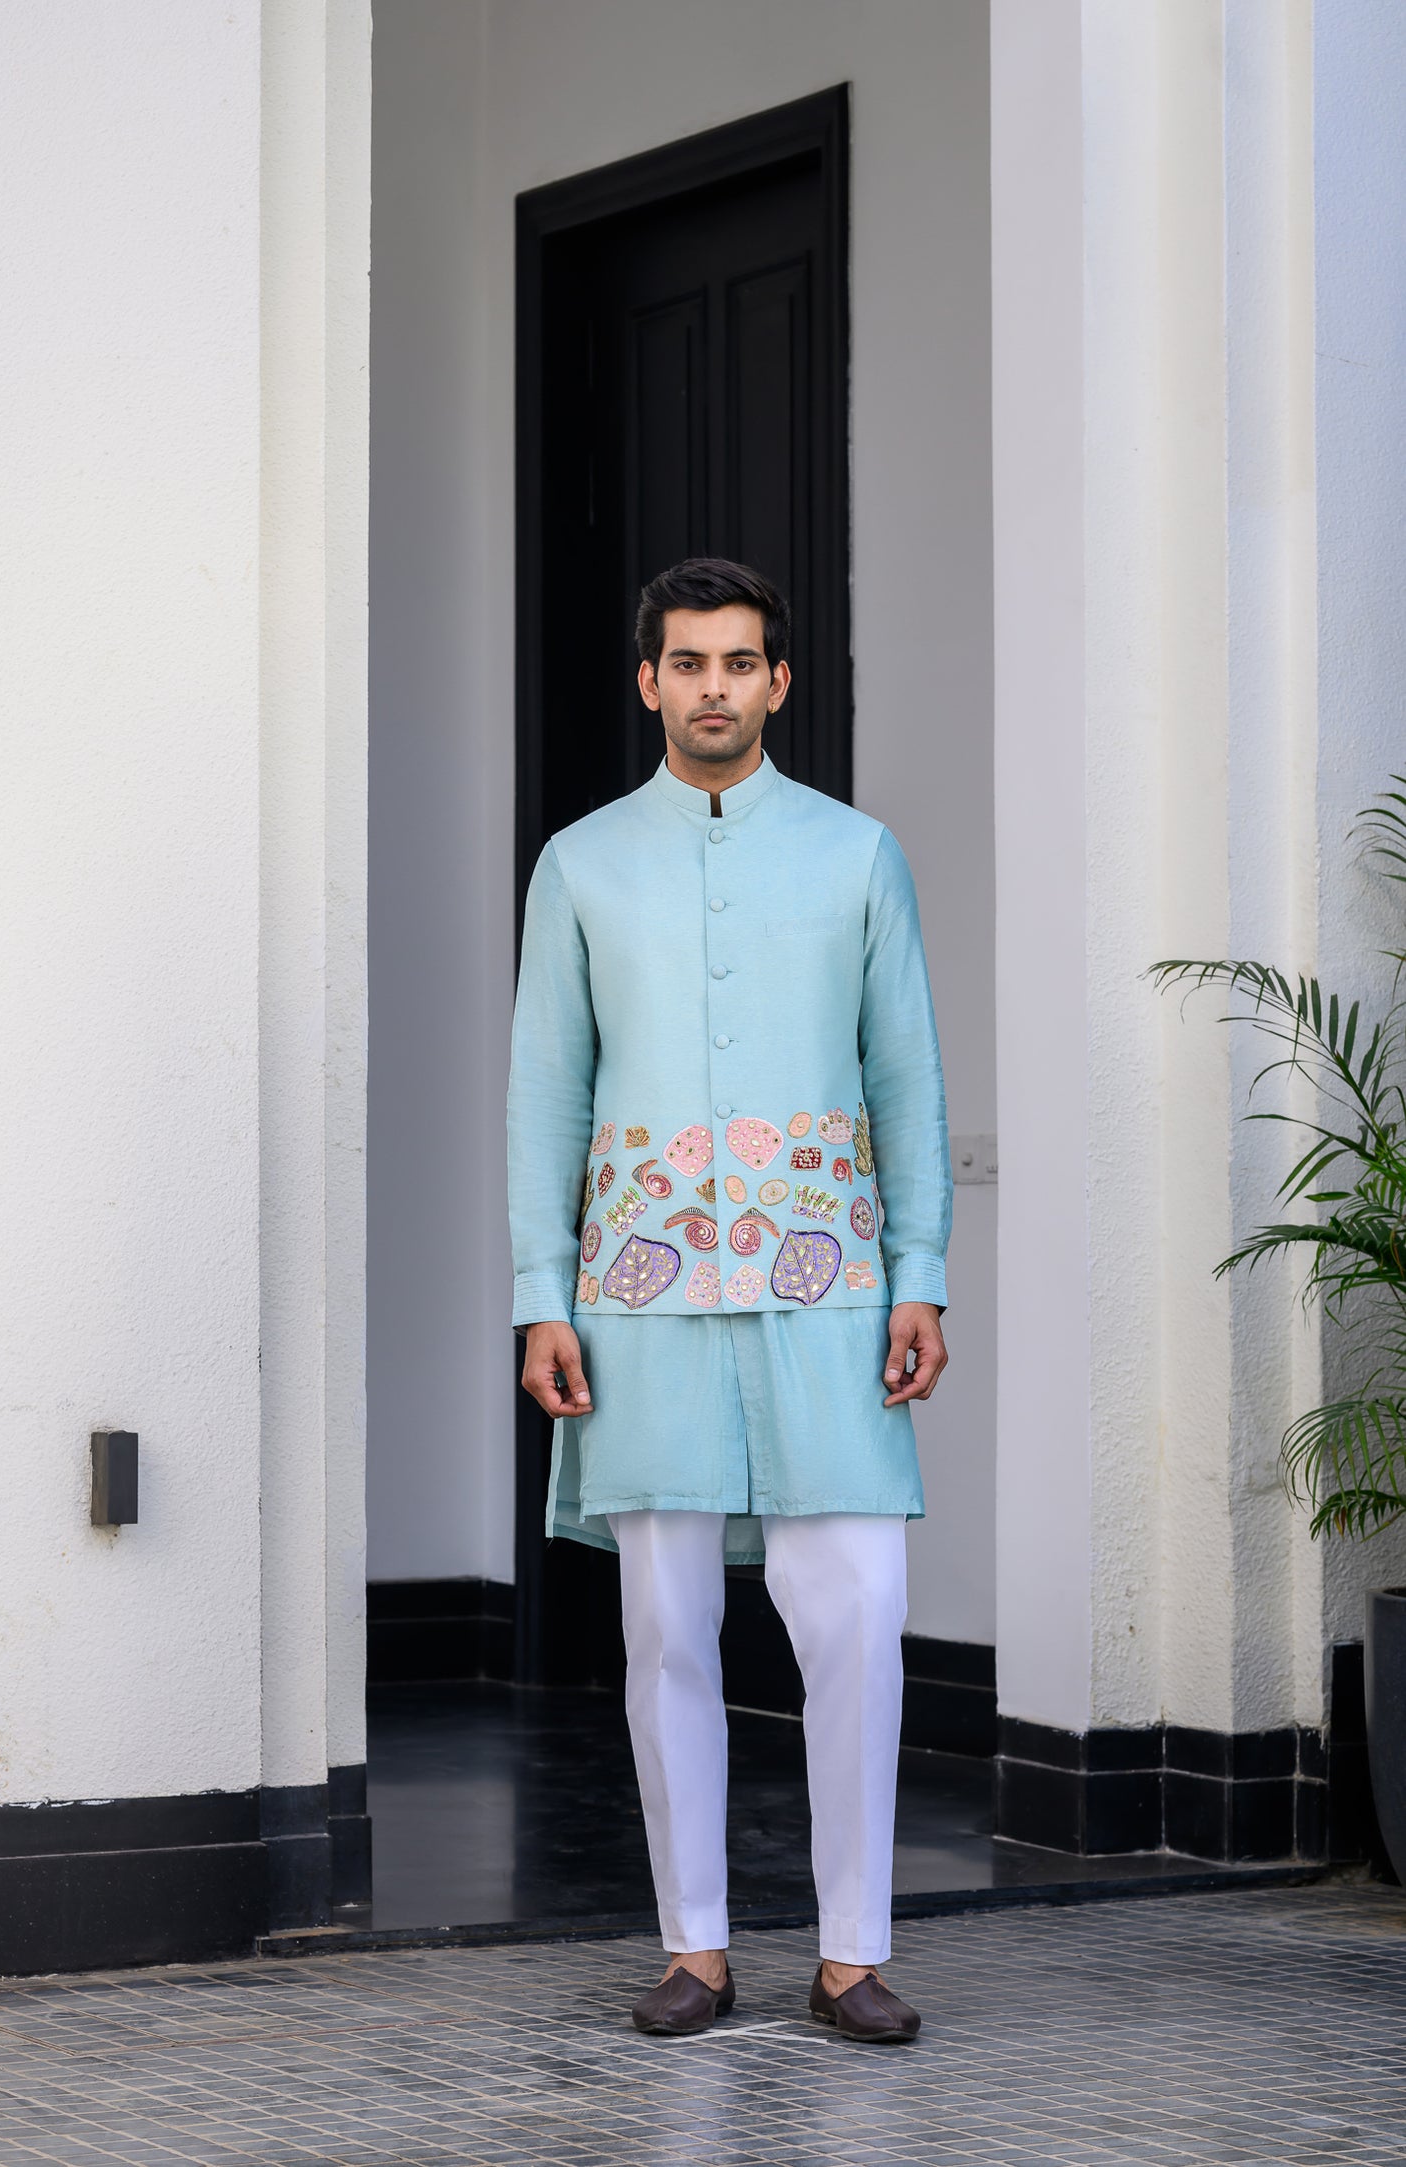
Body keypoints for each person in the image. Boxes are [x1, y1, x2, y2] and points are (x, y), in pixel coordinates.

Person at [506, 557, 952, 2043]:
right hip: (639, 1299)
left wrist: (920, 1276)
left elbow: (906, 1079)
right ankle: (692, 1949)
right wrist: (541, 1295)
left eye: (738, 662)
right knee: (666, 1633)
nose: (713, 687)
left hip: (830, 1292)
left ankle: (852, 1955)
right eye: (687, 662)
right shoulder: (580, 864)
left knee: (860, 1620)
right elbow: (544, 1093)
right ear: (649, 683)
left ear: (777, 681)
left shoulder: (857, 855)